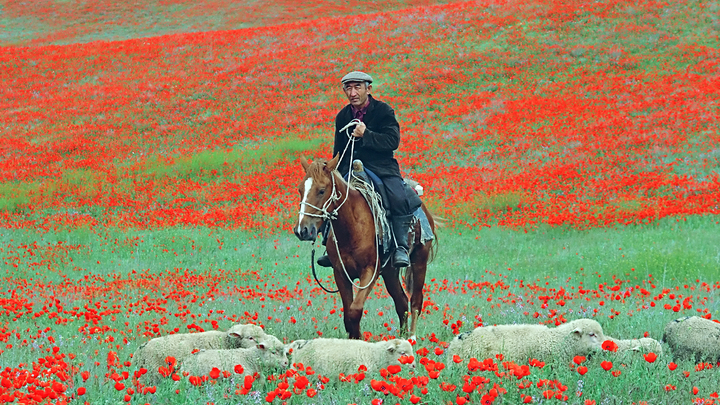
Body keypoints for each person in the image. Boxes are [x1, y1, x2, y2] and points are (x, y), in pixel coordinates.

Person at [316, 71, 418, 268]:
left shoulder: (383, 111)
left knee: (398, 196)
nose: (353, 92)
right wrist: (331, 171)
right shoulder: (343, 116)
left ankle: (401, 247)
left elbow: (392, 141)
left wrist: (366, 134)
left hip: (381, 168)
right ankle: (330, 246)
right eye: (348, 88)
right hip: (350, 170)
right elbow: (339, 151)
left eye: (357, 87)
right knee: (330, 197)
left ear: (368, 89)